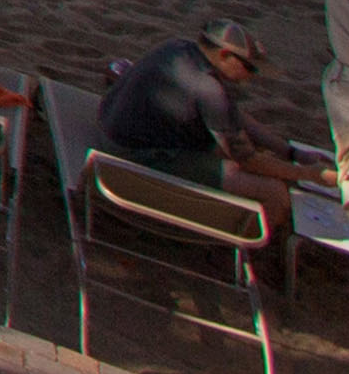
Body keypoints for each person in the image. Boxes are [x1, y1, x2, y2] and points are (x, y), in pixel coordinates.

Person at [101, 22, 314, 238]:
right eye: (250, 68)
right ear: (224, 55)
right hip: (129, 157)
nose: (252, 76)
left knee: (243, 157)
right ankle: (243, 242)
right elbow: (247, 160)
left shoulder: (177, 47)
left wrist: (292, 153)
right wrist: (312, 175)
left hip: (112, 129)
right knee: (275, 192)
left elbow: (233, 116)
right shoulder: (208, 89)